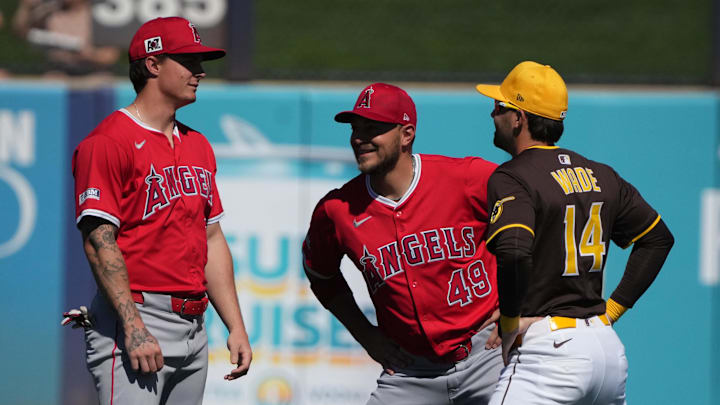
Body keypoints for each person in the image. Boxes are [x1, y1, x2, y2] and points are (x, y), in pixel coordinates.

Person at [71, 16, 251, 405]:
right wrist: (133, 327)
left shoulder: (198, 144)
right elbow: (99, 240)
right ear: (153, 64)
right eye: (188, 62)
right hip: (138, 318)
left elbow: (211, 237)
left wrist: (235, 326)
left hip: (194, 327)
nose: (199, 72)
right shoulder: (108, 142)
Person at [475, 61, 674, 404]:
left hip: (551, 353)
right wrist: (610, 312)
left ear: (519, 118)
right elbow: (657, 238)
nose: (493, 114)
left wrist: (509, 325)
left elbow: (515, 250)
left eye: (500, 107)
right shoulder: (602, 174)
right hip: (607, 351)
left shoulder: (512, 176)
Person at [301, 83, 504, 405]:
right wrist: (365, 334)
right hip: (411, 372)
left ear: (406, 134)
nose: (359, 138)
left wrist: (522, 304)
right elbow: (321, 275)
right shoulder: (337, 210)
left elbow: (541, 221)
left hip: (489, 355)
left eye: (374, 128)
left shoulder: (467, 179)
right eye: (356, 128)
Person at [12, 0, 119, 77]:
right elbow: (22, 31)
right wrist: (26, 7)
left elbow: (110, 56)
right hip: (58, 70)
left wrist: (87, 54)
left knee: (104, 82)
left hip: (93, 70)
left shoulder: (102, 15)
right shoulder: (49, 11)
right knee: (52, 81)